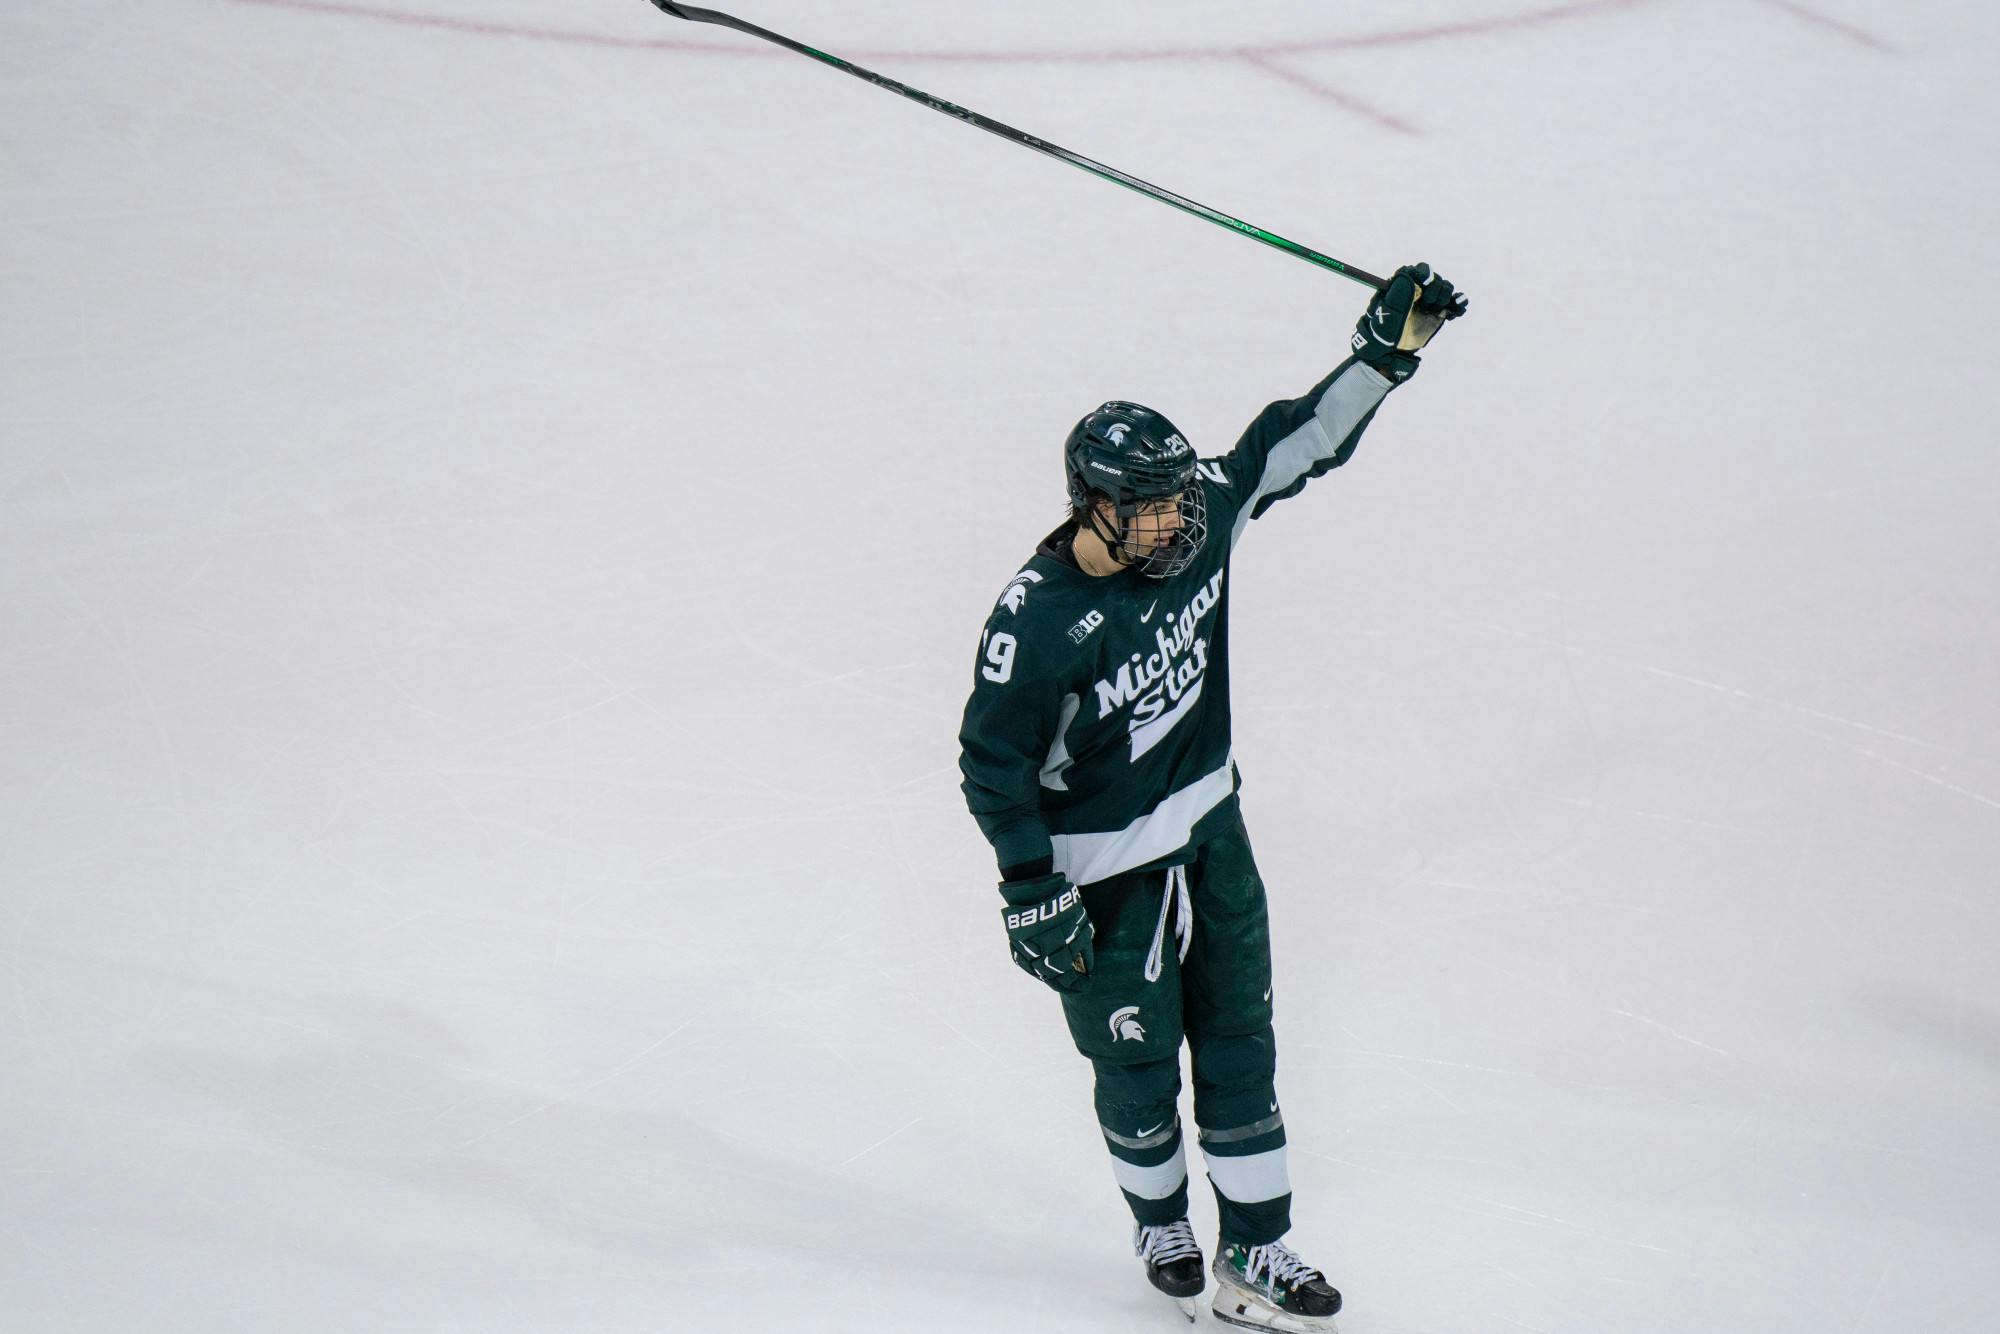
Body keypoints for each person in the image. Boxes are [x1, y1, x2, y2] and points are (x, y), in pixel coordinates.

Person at [956, 264, 1467, 1330]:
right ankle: (1159, 1217)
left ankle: (1261, 1242)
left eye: (1178, 498)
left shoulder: (1192, 535)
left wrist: (1385, 352)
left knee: (1241, 1041)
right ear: (1094, 506)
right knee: (1133, 1062)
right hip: (1104, 881)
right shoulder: (1035, 625)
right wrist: (1027, 887)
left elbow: (1290, 444)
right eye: (1149, 509)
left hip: (1211, 834)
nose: (1176, 522)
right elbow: (990, 764)